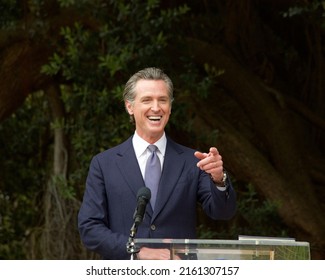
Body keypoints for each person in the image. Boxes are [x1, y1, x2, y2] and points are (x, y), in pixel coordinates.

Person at [78, 67, 236, 260]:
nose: (156, 107)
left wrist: (219, 179)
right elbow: (90, 228)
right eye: (147, 100)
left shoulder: (192, 161)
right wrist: (137, 250)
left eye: (162, 100)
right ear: (129, 106)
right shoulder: (104, 164)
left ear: (170, 106)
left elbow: (223, 212)